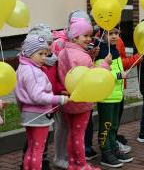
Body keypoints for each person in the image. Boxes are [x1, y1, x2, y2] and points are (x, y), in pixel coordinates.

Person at [58, 16, 112, 170]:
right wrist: (104, 64)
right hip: (82, 101)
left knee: (72, 133)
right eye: (85, 36)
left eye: (90, 35)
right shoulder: (82, 57)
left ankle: (72, 164)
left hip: (68, 99)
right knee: (79, 134)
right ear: (75, 37)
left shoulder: (63, 53)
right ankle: (82, 164)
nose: (89, 39)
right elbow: (91, 77)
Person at [15, 34, 69, 170]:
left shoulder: (22, 68)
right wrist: (59, 99)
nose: (44, 57)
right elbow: (37, 96)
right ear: (28, 53)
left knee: (32, 147)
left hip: (28, 114)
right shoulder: (33, 71)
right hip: (38, 115)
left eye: (45, 53)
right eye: (40, 54)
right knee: (38, 149)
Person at [95, 27, 133, 168]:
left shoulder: (115, 50)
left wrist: (122, 72)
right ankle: (106, 153)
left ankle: (113, 149)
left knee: (114, 125)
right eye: (110, 33)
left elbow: (117, 68)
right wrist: (118, 75)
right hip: (106, 97)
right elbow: (99, 73)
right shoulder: (100, 52)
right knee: (106, 126)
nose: (114, 36)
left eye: (116, 33)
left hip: (117, 94)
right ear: (103, 35)